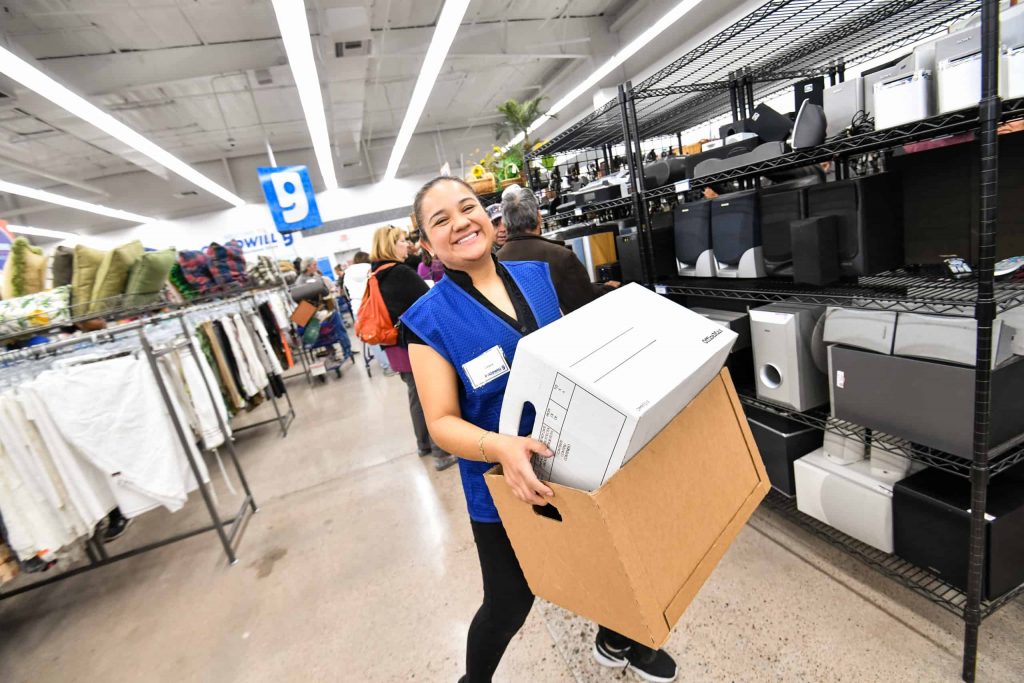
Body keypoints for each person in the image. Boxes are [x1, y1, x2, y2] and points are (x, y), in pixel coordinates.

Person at [402, 177, 677, 683]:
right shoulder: (428, 320)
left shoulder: (536, 275)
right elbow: (440, 421)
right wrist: (500, 446)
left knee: (608, 559)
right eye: (440, 220)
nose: (460, 222)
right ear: (425, 243)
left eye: (468, 208)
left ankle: (619, 638)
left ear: (491, 218)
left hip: (576, 459)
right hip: (501, 482)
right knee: (508, 602)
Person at [370, 225, 456, 472]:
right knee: (429, 397)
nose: (406, 244)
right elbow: (429, 302)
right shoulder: (400, 273)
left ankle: (424, 445)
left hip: (393, 346)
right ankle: (441, 452)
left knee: (415, 395)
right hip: (411, 345)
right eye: (400, 240)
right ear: (389, 245)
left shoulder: (376, 273)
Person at [496, 185, 619, 314]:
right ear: (539, 217)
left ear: (504, 223)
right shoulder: (561, 256)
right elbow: (586, 302)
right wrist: (609, 289)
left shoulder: (496, 263)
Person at [298, 258, 353, 362]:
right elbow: (302, 299)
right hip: (314, 310)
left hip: (327, 305)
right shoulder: (300, 281)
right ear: (308, 267)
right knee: (324, 334)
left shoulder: (316, 276)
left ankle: (347, 351)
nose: (317, 266)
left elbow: (324, 290)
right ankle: (332, 352)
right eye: (314, 265)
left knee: (339, 327)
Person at [347, 251, 393, 375]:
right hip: (373, 305)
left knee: (371, 337)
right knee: (383, 333)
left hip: (358, 308)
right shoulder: (370, 268)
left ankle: (386, 366)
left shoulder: (348, 272)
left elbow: (346, 292)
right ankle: (392, 362)